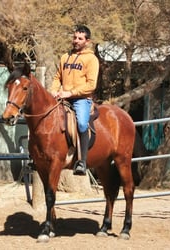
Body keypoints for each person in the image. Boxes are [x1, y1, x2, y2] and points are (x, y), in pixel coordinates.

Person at [50, 25, 99, 175]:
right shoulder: (65, 57)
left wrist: (70, 93)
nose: (76, 41)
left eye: (80, 38)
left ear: (87, 41)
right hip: (63, 97)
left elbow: (91, 85)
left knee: (83, 124)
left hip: (81, 99)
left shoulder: (91, 59)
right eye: (75, 37)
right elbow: (57, 77)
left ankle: (82, 162)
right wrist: (54, 90)